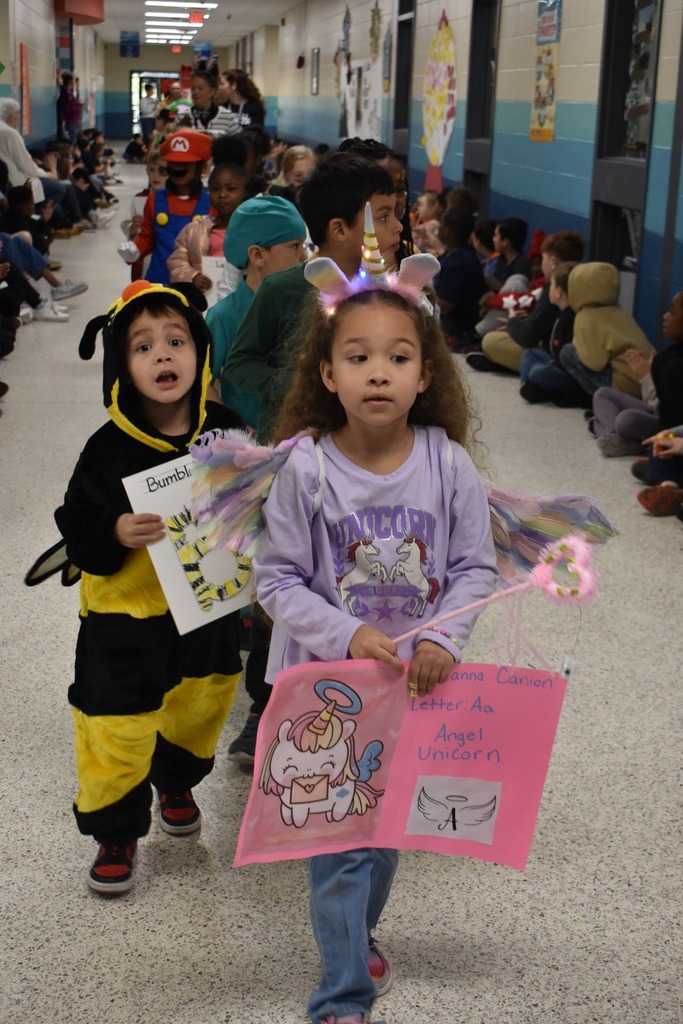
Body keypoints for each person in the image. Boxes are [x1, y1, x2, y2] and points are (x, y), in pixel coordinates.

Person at [254, 261, 498, 1024]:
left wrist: (445, 642)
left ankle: (359, 937)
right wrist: (350, 633)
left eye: (398, 357)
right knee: (340, 845)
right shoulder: (303, 468)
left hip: (413, 691)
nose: (378, 373)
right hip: (325, 689)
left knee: (384, 830)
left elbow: (472, 568)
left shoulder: (447, 464)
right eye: (357, 357)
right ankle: (342, 995)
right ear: (326, 373)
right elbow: (277, 581)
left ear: (426, 374)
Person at [52, 280, 244, 895]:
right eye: (142, 347)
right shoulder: (106, 450)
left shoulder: (228, 433)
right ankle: (117, 827)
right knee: (117, 721)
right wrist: (111, 527)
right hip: (124, 620)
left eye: (176, 340)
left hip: (206, 610)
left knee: (200, 704)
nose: (163, 356)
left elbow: (262, 506)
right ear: (119, 366)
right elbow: (76, 522)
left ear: (200, 350)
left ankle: (177, 779)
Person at [223, 153, 402, 763]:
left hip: (373, 471)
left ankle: (364, 708)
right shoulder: (281, 290)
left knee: (361, 584)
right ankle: (265, 706)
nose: (399, 231)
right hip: (301, 466)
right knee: (287, 588)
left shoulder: (392, 296)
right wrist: (302, 391)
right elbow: (239, 364)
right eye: (384, 216)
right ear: (338, 229)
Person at [206, 194, 307, 429]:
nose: (303, 255)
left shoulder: (306, 308)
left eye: (303, 245)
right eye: (294, 246)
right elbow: (201, 383)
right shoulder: (223, 317)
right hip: (246, 446)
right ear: (258, 255)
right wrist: (236, 429)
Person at [467, 230, 585, 374]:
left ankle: (504, 363)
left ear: (553, 263)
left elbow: (527, 337)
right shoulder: (578, 283)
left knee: (490, 341)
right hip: (553, 345)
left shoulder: (554, 290)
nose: (541, 263)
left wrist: (512, 322)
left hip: (550, 352)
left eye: (543, 258)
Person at [117, 129, 213, 285]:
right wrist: (135, 248)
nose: (177, 168)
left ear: (202, 168)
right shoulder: (155, 200)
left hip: (195, 285)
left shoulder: (210, 205)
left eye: (185, 163)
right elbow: (147, 238)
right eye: (173, 162)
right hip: (158, 281)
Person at [559, 262, 653, 398]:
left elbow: (594, 363)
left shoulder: (586, 316)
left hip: (623, 384)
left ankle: (598, 399)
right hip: (646, 382)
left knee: (567, 352)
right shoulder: (620, 312)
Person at [168, 162, 250, 293]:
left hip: (242, 305)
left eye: (231, 189)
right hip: (204, 304)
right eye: (215, 189)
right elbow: (177, 261)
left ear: (245, 192)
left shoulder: (254, 232)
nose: (222, 195)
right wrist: (193, 276)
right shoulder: (193, 230)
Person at [518, 260, 587, 407]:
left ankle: (540, 388)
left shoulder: (569, 318)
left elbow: (570, 361)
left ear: (559, 291)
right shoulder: (560, 313)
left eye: (551, 285)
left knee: (538, 372)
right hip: (555, 362)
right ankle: (530, 386)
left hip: (569, 374)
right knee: (529, 354)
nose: (548, 290)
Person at [433, 206, 487, 349]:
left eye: (441, 224)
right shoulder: (453, 255)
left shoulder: (460, 263)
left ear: (447, 231)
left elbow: (444, 306)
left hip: (456, 329)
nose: (438, 227)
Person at [189, 58, 240, 137]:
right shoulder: (183, 115)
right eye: (193, 88)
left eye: (200, 88)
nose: (196, 92)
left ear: (212, 91)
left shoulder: (227, 117)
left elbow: (239, 146)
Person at [57, 73, 82, 148]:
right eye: (73, 81)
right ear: (70, 81)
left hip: (73, 120)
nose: (74, 83)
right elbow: (68, 109)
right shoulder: (65, 94)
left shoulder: (70, 93)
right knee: (71, 143)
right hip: (69, 121)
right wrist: (77, 105)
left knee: (74, 141)